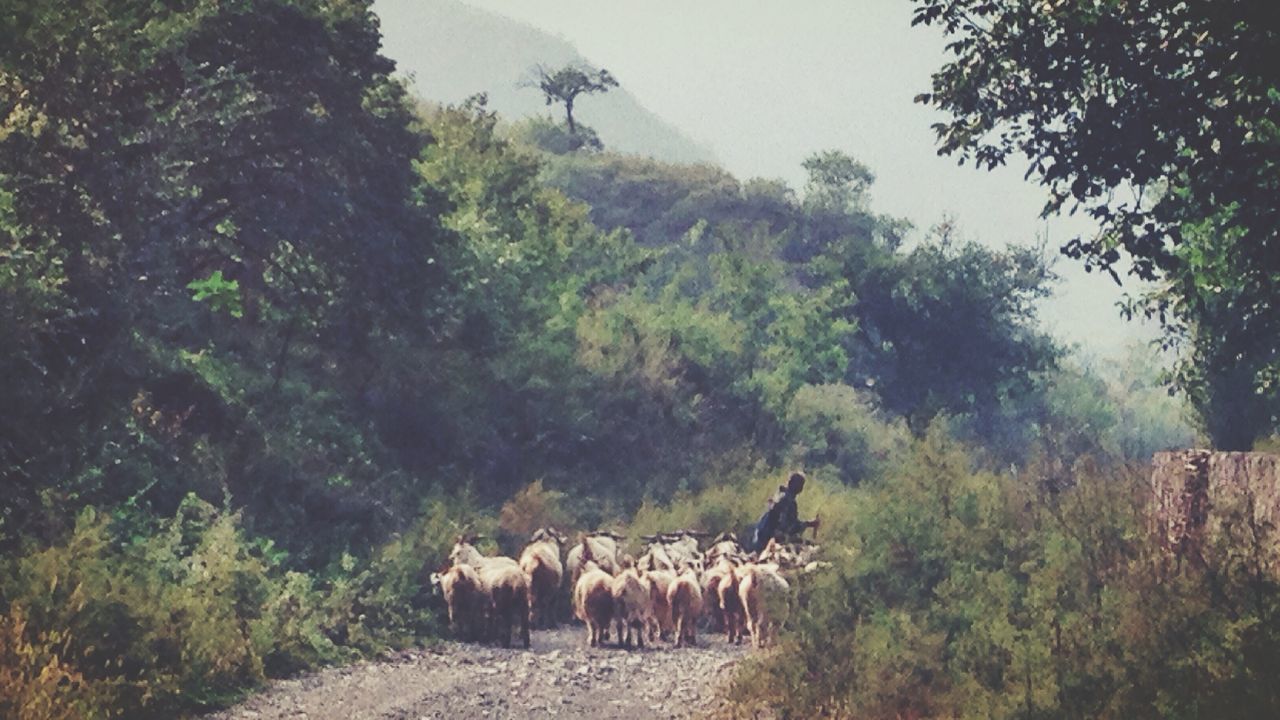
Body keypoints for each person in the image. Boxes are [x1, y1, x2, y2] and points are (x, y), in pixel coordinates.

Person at [751, 472, 819, 552]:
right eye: (799, 485)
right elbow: (790, 526)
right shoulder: (787, 501)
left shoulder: (781, 495)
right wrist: (809, 524)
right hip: (766, 540)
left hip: (759, 535)